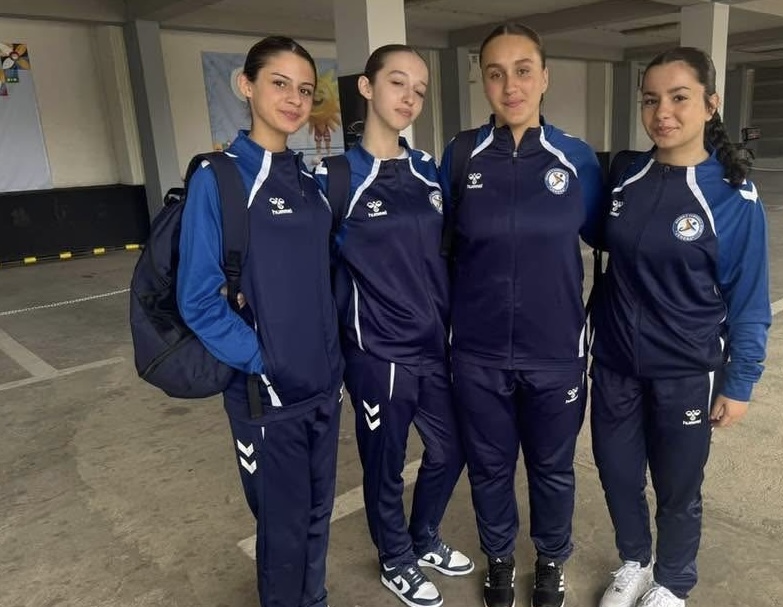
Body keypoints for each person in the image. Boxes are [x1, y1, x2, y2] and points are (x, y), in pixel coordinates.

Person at [590, 47, 771, 607]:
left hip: (685, 371)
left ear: (711, 104)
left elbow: (749, 298)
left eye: (678, 98)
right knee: (618, 475)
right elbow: (600, 235)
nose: (662, 112)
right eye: (651, 100)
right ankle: (635, 561)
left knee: (678, 488)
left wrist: (740, 381)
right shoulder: (627, 175)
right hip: (615, 364)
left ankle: (672, 581)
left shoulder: (733, 197)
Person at [438, 23, 603, 607]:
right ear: (483, 82)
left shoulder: (576, 158)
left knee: (552, 469)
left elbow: (612, 240)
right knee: (489, 467)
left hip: (555, 353)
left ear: (544, 78)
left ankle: (551, 560)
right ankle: (500, 560)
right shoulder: (462, 155)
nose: (511, 86)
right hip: (478, 353)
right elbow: (440, 246)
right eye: (496, 73)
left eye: (523, 70)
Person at [177, 36, 344, 607]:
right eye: (279, 84)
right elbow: (198, 299)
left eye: (305, 89)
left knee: (319, 513)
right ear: (246, 86)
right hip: (267, 395)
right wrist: (263, 361)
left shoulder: (311, 184)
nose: (295, 99)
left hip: (324, 386)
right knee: (282, 529)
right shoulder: (220, 178)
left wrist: (332, 362)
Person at [316, 44, 472, 607]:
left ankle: (423, 536)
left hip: (433, 346)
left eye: (420, 90)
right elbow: (312, 269)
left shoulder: (428, 171)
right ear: (367, 87)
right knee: (384, 466)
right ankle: (395, 558)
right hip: (377, 351)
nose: (409, 98)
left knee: (451, 449)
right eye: (397, 83)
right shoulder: (336, 177)